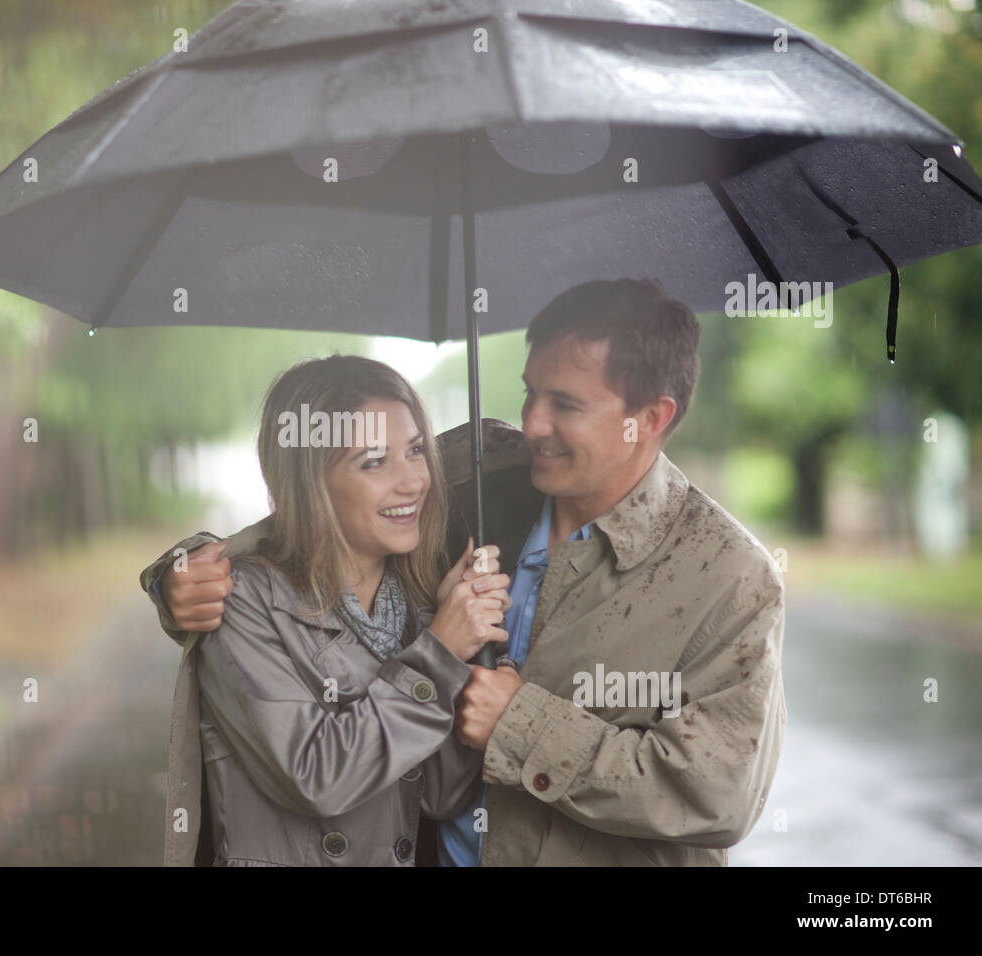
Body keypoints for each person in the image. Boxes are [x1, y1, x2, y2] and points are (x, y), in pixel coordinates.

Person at [145, 278, 787, 866]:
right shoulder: (474, 483)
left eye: (565, 404)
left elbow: (717, 794)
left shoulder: (727, 576)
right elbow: (312, 517)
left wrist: (521, 723)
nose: (533, 425)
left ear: (650, 418)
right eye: (531, 391)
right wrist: (186, 571)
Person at [156, 354, 511, 866]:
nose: (412, 481)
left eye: (415, 451)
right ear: (310, 483)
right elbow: (316, 778)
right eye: (373, 461)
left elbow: (440, 796)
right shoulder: (245, 604)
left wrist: (471, 658)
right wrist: (439, 653)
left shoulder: (418, 599)